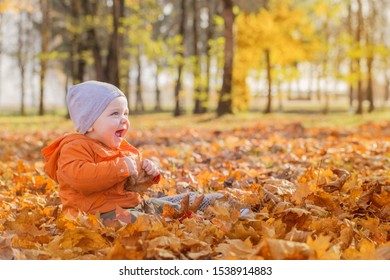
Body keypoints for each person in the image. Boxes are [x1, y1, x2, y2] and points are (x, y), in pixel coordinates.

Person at [41, 80, 225, 223]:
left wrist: (147, 174)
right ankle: (193, 217)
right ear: (89, 124)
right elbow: (80, 178)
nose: (123, 120)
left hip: (132, 206)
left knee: (173, 205)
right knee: (148, 222)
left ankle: (217, 203)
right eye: (115, 114)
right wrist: (120, 168)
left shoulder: (117, 147)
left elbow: (130, 186)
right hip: (96, 216)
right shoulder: (74, 147)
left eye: (125, 113)